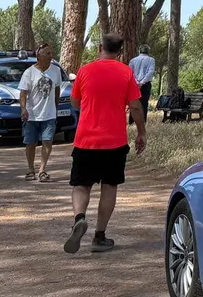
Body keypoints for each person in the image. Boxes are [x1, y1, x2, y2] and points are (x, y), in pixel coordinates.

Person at [64, 34, 146, 255]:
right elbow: (136, 107)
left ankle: (79, 218)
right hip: (114, 141)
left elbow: (74, 101)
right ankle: (99, 237)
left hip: (85, 140)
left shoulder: (84, 71)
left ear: (100, 47)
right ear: (120, 51)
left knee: (81, 185)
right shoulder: (126, 72)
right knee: (109, 187)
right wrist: (141, 132)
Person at [20, 42, 64, 182]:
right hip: (32, 114)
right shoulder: (29, 73)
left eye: (52, 53)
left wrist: (55, 107)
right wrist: (23, 109)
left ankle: (42, 170)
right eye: (48, 54)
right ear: (39, 56)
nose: (51, 56)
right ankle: (30, 169)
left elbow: (57, 89)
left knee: (47, 141)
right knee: (31, 143)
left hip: (49, 113)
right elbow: (23, 93)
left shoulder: (55, 71)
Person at [128, 44, 156, 117]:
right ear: (148, 51)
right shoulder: (151, 60)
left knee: (134, 103)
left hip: (134, 84)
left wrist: (137, 82)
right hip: (146, 84)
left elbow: (130, 73)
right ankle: (143, 121)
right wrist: (142, 82)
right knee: (144, 103)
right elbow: (150, 72)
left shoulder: (133, 60)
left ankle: (132, 120)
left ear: (139, 51)